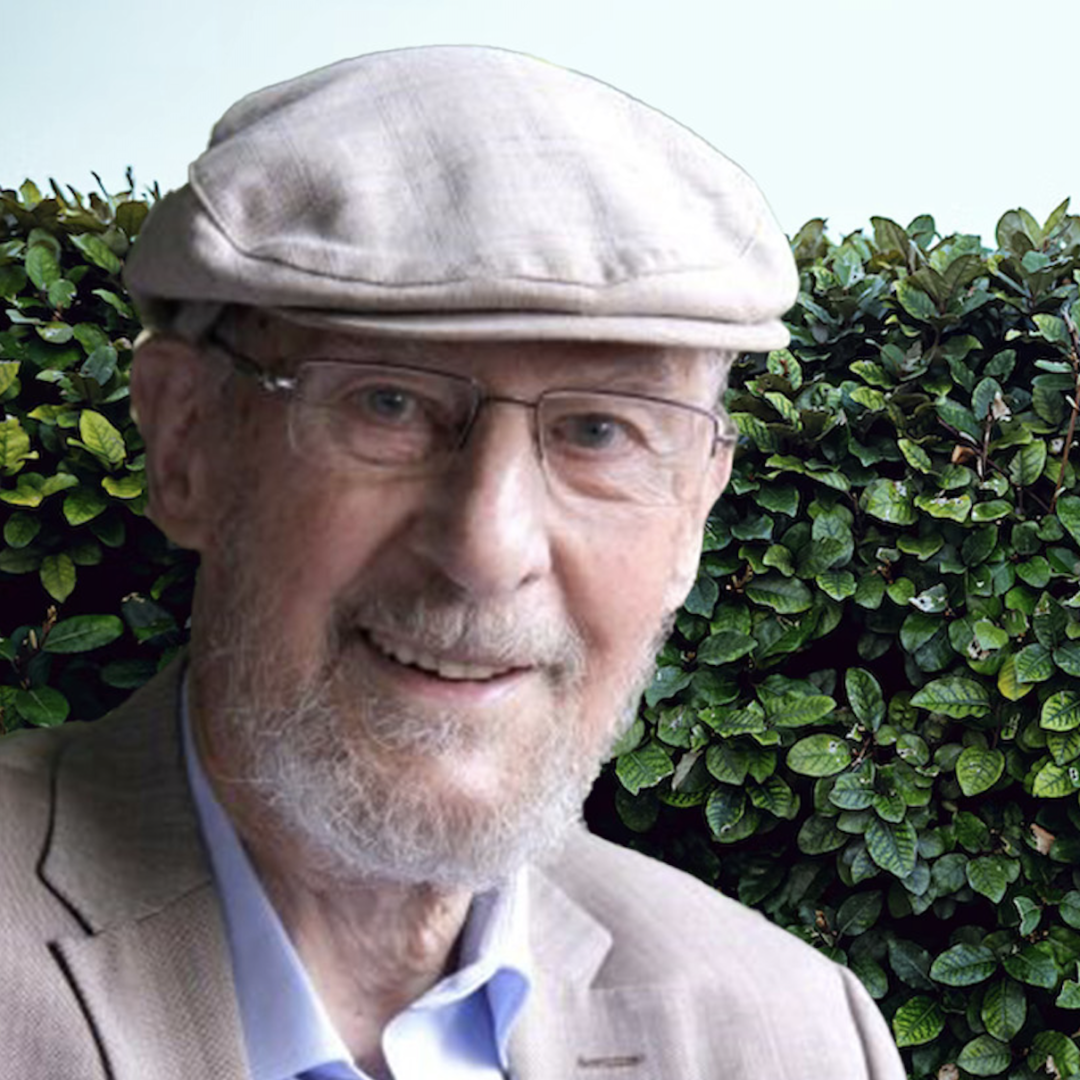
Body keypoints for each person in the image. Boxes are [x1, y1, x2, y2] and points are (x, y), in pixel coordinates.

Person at [0, 45, 906, 1079]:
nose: (487, 549)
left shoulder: (791, 1037)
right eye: (388, 403)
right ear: (186, 442)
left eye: (601, 432)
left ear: (695, 512)